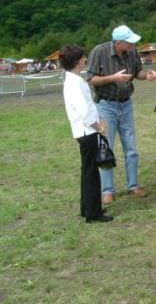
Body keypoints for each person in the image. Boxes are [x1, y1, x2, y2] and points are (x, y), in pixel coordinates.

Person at [87, 25, 156, 204]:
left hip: (126, 104)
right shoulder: (99, 52)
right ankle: (108, 190)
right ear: (118, 43)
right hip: (106, 105)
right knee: (106, 148)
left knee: (131, 148)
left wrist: (147, 75)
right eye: (129, 42)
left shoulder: (132, 53)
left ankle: (133, 186)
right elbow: (91, 80)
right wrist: (113, 78)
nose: (133, 45)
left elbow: (138, 73)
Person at [60, 45, 113, 223]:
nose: (85, 60)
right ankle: (93, 213)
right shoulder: (74, 82)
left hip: (85, 129)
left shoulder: (74, 79)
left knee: (88, 170)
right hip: (86, 130)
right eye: (83, 57)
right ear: (76, 61)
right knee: (90, 171)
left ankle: (88, 208)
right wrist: (98, 125)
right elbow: (83, 109)